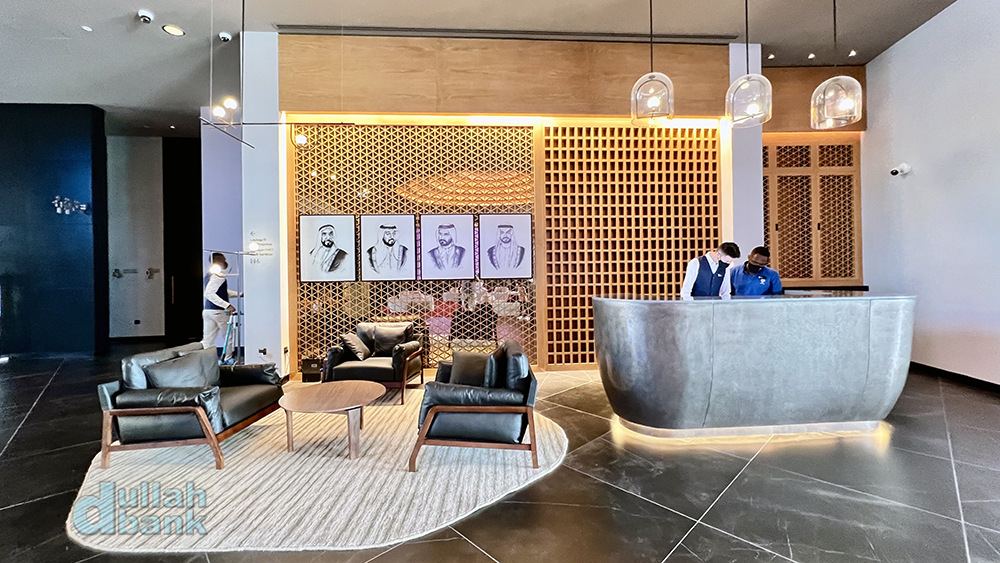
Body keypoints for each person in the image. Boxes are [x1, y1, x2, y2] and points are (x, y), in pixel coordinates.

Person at [202, 253, 238, 361]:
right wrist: (227, 305)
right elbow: (209, 293)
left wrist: (239, 294)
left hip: (208, 311)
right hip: (218, 312)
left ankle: (204, 359)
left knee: (208, 339)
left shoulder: (208, 275)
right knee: (228, 336)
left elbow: (220, 292)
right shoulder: (217, 277)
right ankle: (228, 358)